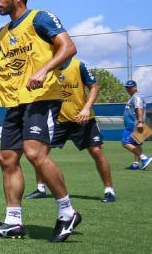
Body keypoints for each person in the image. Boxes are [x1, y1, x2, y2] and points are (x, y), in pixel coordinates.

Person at [0, 0, 81, 243]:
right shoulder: (3, 33)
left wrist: (44, 69)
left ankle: (67, 211)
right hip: (14, 101)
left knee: (34, 153)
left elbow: (68, 47)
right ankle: (13, 221)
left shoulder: (40, 17)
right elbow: (3, 69)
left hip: (42, 97)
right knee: (7, 159)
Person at [25, 57, 116, 202]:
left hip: (82, 118)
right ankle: (40, 188)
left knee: (97, 151)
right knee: (39, 153)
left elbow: (94, 86)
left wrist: (86, 108)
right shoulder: (45, 66)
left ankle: (109, 190)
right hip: (57, 120)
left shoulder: (78, 65)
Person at [121, 80, 151, 170]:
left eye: (130, 87)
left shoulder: (137, 97)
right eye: (127, 87)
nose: (128, 89)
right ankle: (135, 164)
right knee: (137, 144)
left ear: (135, 87)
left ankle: (145, 158)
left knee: (125, 143)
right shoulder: (134, 97)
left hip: (134, 125)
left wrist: (140, 122)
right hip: (136, 124)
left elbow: (139, 109)